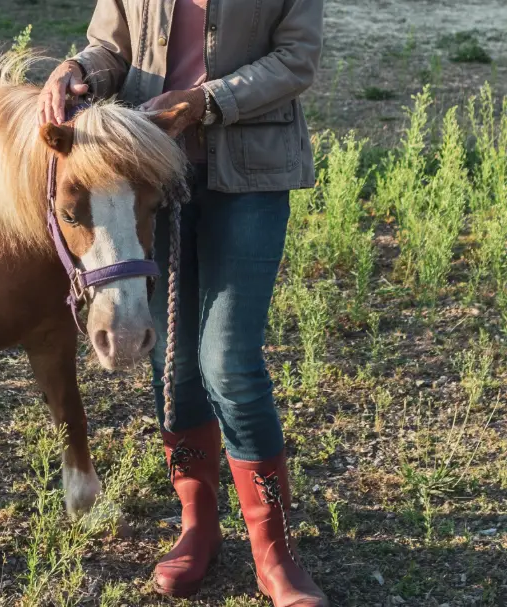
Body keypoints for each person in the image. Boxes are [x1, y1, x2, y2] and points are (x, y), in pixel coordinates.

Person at [38, 1, 327, 605]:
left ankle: (275, 551)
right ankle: (198, 525)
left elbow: (297, 60)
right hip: (147, 178)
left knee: (229, 362)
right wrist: (75, 67)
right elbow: (111, 51)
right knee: (172, 360)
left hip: (250, 177)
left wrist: (207, 101)